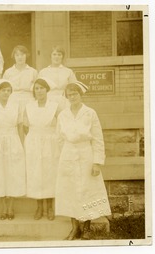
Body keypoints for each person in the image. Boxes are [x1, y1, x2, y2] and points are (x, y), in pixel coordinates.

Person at [55, 81, 111, 240]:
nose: (72, 97)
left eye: (75, 94)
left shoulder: (90, 113)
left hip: (86, 154)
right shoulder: (63, 115)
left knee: (87, 191)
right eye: (69, 94)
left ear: (81, 94)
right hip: (68, 155)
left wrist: (97, 162)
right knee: (70, 191)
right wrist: (63, 156)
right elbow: (59, 138)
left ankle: (86, 228)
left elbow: (98, 139)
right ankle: (74, 228)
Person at [0, 79, 26, 220]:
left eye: (8, 90)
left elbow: (20, 127)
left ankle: (11, 208)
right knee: (0, 174)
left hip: (13, 140)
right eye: (3, 90)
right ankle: (3, 208)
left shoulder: (16, 106)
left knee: (12, 174)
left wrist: (22, 145)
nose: (6, 93)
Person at [23, 78, 60, 221]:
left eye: (42, 88)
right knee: (36, 174)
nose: (39, 91)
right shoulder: (29, 106)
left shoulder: (55, 106)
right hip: (34, 142)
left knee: (49, 173)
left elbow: (60, 125)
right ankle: (39, 206)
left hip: (50, 143)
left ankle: (50, 207)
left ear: (47, 90)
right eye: (36, 88)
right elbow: (26, 127)